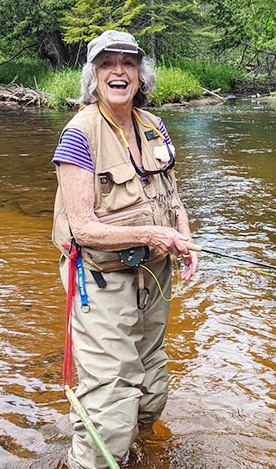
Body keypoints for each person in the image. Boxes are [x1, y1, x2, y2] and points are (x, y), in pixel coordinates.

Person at [51, 29, 198, 469]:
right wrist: (153, 237)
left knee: (152, 391)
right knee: (112, 402)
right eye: (107, 64)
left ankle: (138, 455)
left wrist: (184, 239)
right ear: (93, 77)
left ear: (140, 74)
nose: (119, 71)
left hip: (154, 277)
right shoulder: (79, 134)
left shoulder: (154, 126)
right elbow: (83, 228)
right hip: (100, 282)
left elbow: (173, 196)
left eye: (128, 63)